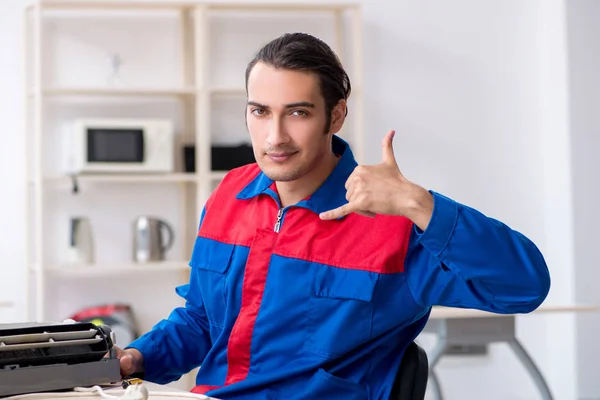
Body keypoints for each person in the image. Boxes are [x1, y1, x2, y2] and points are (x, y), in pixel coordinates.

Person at [115, 32, 551, 399]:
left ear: (335, 115)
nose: (275, 136)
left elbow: (523, 287)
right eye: (260, 112)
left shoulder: (396, 224)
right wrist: (137, 358)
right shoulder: (231, 195)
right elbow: (202, 322)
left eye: (298, 113)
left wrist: (419, 204)